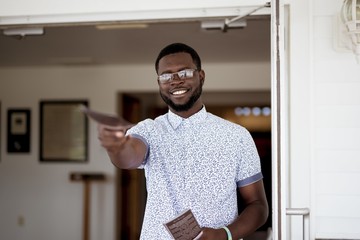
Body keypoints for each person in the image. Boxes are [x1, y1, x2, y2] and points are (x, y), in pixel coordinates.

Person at [98, 43, 269, 240]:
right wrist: (116, 147)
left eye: (184, 72)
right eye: (166, 76)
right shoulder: (148, 130)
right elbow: (128, 158)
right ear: (159, 82)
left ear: (201, 76)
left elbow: (258, 205)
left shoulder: (237, 136)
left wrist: (225, 234)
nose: (175, 81)